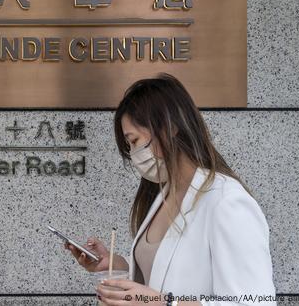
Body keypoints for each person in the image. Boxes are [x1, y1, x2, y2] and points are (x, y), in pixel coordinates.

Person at [64, 73, 276, 306]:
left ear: (169, 127)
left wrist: (167, 304)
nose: (134, 154)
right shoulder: (164, 195)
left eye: (134, 141)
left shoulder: (226, 201)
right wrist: (118, 268)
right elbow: (163, 278)